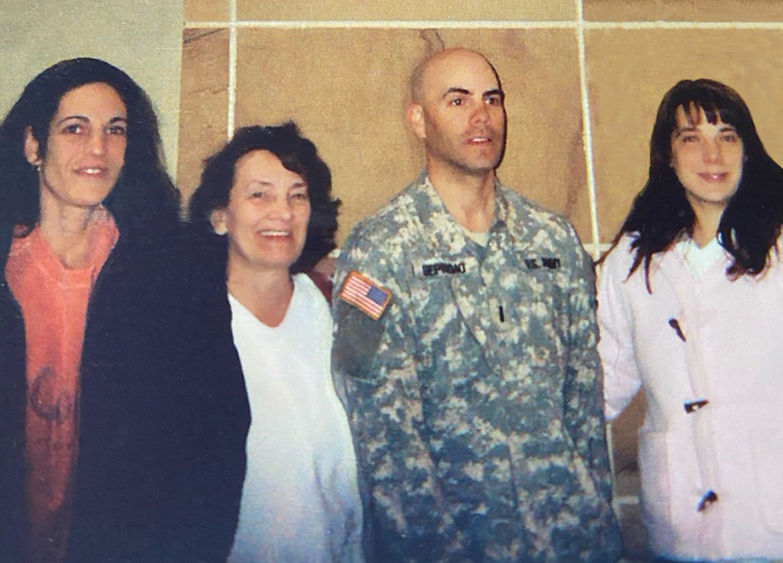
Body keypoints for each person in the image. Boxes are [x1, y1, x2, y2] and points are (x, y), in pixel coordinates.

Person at [331, 47, 621, 561]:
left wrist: (595, 526)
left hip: (568, 540)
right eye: (457, 100)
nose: (481, 116)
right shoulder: (378, 252)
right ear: (418, 120)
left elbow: (583, 403)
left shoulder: (553, 240)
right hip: (451, 545)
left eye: (492, 98)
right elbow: (384, 436)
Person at [0, 57, 248, 562]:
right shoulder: (8, 273)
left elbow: (216, 439)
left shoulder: (174, 274)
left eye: (115, 130)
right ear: (32, 145)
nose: (98, 149)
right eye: (75, 129)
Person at [597, 78, 783, 561]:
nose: (712, 155)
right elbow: (600, 383)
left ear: (747, 150)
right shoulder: (632, 263)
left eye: (727, 136)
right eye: (691, 138)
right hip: (681, 526)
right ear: (669, 156)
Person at [188, 122, 364, 562]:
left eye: (297, 195)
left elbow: (397, 303)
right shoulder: (190, 322)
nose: (282, 212)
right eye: (259, 194)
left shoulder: (331, 296)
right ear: (219, 216)